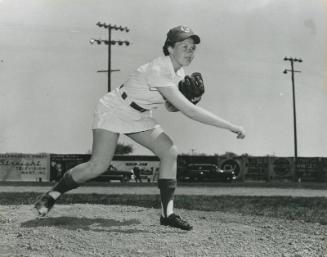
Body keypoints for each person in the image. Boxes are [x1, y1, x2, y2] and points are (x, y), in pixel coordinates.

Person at [34, 25, 245, 231]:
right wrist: (231, 126)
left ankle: (167, 215)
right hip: (114, 108)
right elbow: (189, 111)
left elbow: (172, 107)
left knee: (169, 152)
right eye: (184, 46)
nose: (190, 51)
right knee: (98, 165)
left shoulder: (179, 74)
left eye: (192, 47)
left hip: (139, 115)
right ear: (170, 48)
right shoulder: (159, 69)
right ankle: (52, 194)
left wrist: (194, 98)